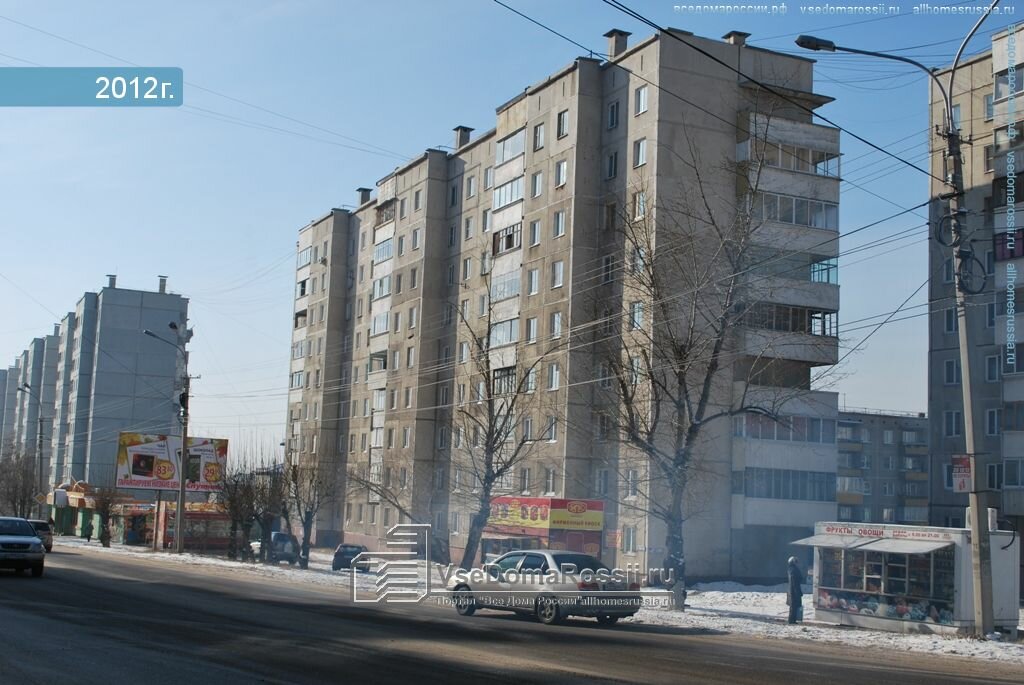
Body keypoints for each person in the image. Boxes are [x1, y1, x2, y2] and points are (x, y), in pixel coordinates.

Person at [787, 556, 803, 624]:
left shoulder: (791, 569)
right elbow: (794, 582)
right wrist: (797, 592)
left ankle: (792, 620)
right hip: (794, 591)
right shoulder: (793, 570)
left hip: (793, 590)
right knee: (793, 606)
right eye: (796, 562)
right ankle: (791, 620)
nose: (797, 563)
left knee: (794, 606)